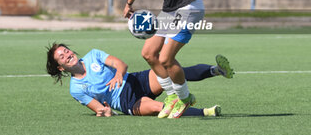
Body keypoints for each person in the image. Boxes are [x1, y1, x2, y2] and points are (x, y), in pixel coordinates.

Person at [46, 43, 234, 117]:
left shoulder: (93, 55)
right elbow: (98, 108)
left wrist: (119, 74)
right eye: (61, 57)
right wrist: (105, 111)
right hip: (126, 101)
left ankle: (215, 70)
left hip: (134, 80)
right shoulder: (76, 89)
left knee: (170, 71)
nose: (67, 55)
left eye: (66, 51)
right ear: (61, 68)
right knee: (159, 108)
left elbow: (120, 64)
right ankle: (206, 112)